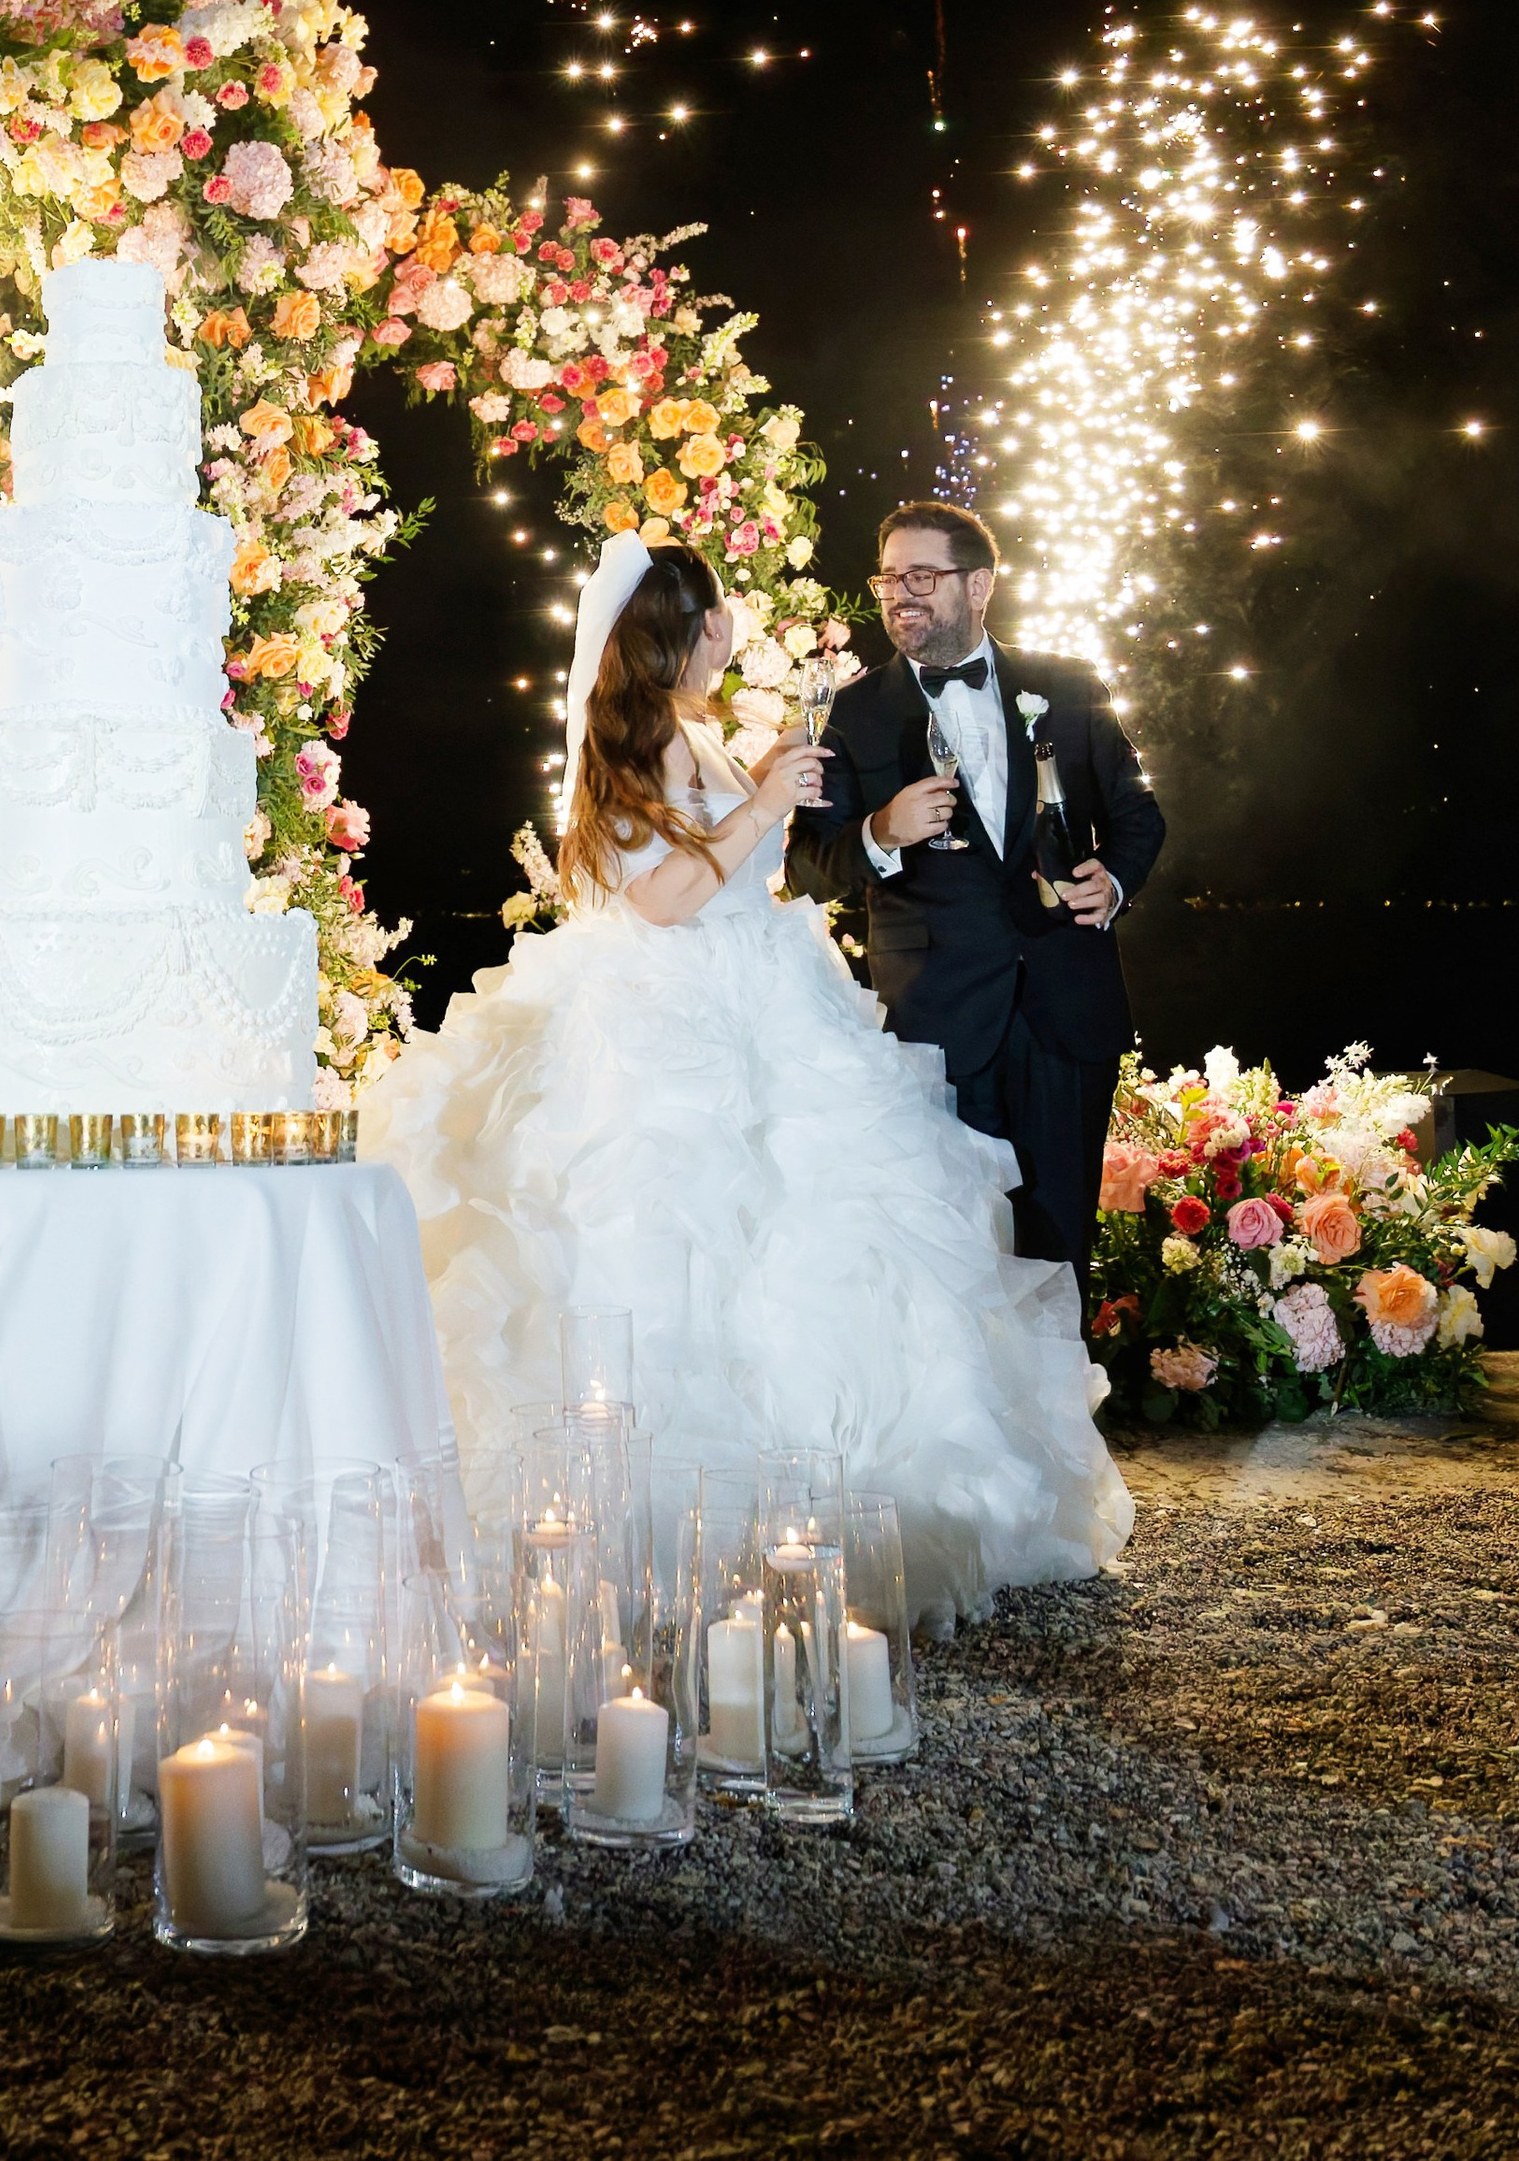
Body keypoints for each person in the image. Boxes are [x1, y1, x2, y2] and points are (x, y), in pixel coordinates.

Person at [360, 532, 1129, 1628]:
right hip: (674, 1022)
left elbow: (727, 857)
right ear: (692, 629)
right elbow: (660, 898)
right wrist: (763, 804)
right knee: (689, 1246)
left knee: (823, 1236)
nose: (730, 630)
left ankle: (846, 1492)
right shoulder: (633, 742)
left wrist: (756, 783)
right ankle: (682, 1516)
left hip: (764, 991)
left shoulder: (692, 733)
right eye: (716, 614)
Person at [787, 501, 1164, 1309]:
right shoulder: (848, 713)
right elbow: (810, 865)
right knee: (955, 1261)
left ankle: (1061, 1432)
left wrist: (1115, 879)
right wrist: (883, 831)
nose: (899, 595)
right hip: (937, 1021)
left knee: (1062, 1247)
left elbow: (1138, 814)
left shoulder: (1066, 685)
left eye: (920, 576)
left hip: (1067, 1006)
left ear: (981, 583)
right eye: (888, 578)